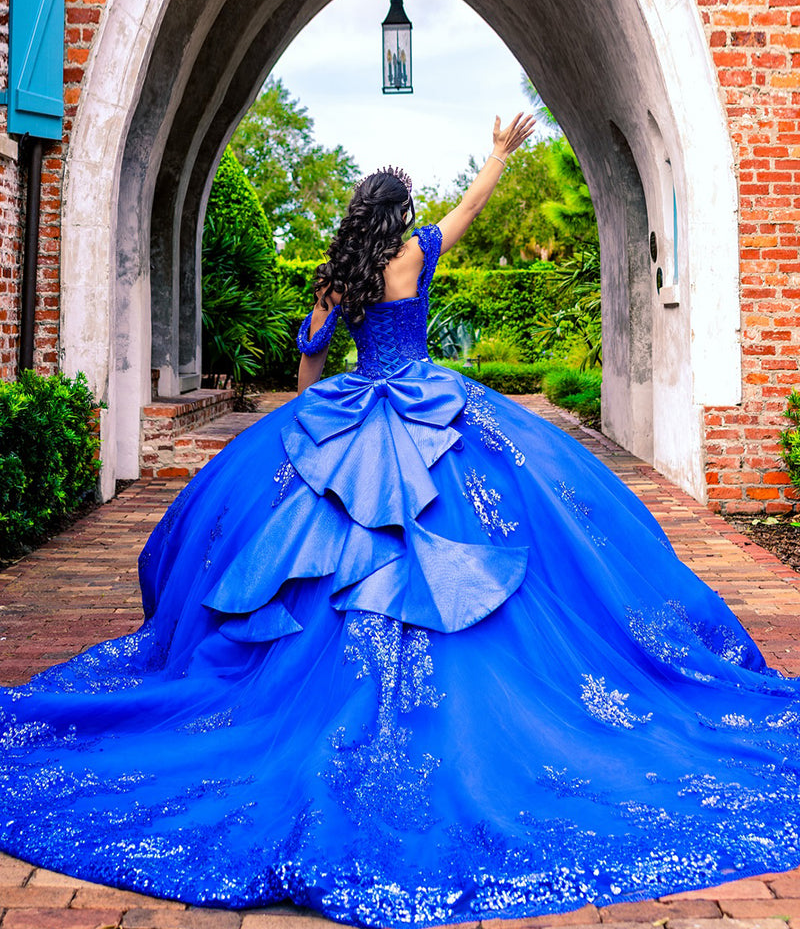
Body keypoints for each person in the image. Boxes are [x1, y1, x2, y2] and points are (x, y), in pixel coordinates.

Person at [2, 113, 800, 927]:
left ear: (356, 219)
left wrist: (309, 447)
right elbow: (471, 209)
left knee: (318, 565)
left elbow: (309, 368)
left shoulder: (335, 273)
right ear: (401, 213)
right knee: (505, 525)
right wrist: (496, 154)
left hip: (352, 415)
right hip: (428, 404)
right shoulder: (420, 248)